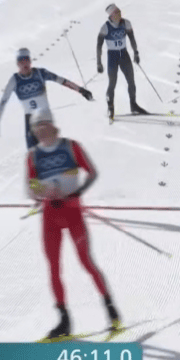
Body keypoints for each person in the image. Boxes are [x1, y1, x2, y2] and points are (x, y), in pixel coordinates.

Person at [26, 109, 122, 342]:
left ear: (52, 126)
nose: (40, 132)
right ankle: (64, 321)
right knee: (53, 267)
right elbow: (31, 187)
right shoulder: (33, 155)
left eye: (44, 127)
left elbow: (92, 173)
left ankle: (111, 311)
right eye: (37, 129)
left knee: (86, 261)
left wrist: (76, 193)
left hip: (72, 213)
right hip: (50, 215)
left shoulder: (71, 147)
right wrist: (43, 192)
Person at [0, 48, 94, 148]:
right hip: (29, 119)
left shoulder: (40, 73)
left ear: (30, 61)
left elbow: (62, 81)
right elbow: (3, 102)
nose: (25, 63)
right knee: (33, 153)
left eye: (26, 60)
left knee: (50, 147)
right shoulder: (14, 80)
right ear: (18, 64)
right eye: (21, 61)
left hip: (45, 116)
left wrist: (81, 90)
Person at [96, 3, 147, 119]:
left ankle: (133, 105)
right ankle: (110, 108)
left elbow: (132, 38)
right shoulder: (105, 27)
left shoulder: (126, 23)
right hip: (112, 56)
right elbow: (99, 46)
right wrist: (99, 62)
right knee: (112, 83)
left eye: (119, 11)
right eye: (116, 12)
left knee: (131, 81)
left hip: (124, 54)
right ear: (111, 15)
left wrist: (136, 52)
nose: (119, 14)